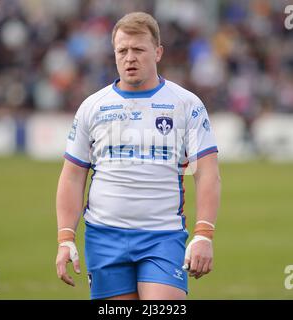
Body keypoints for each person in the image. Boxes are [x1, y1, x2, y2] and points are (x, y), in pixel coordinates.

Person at [56, 11, 221, 300]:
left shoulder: (186, 104)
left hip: (163, 237)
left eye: (138, 49)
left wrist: (204, 234)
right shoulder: (92, 107)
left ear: (157, 53)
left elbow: (207, 172)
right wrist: (65, 237)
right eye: (122, 50)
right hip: (103, 236)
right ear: (114, 53)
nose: (129, 57)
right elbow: (72, 176)